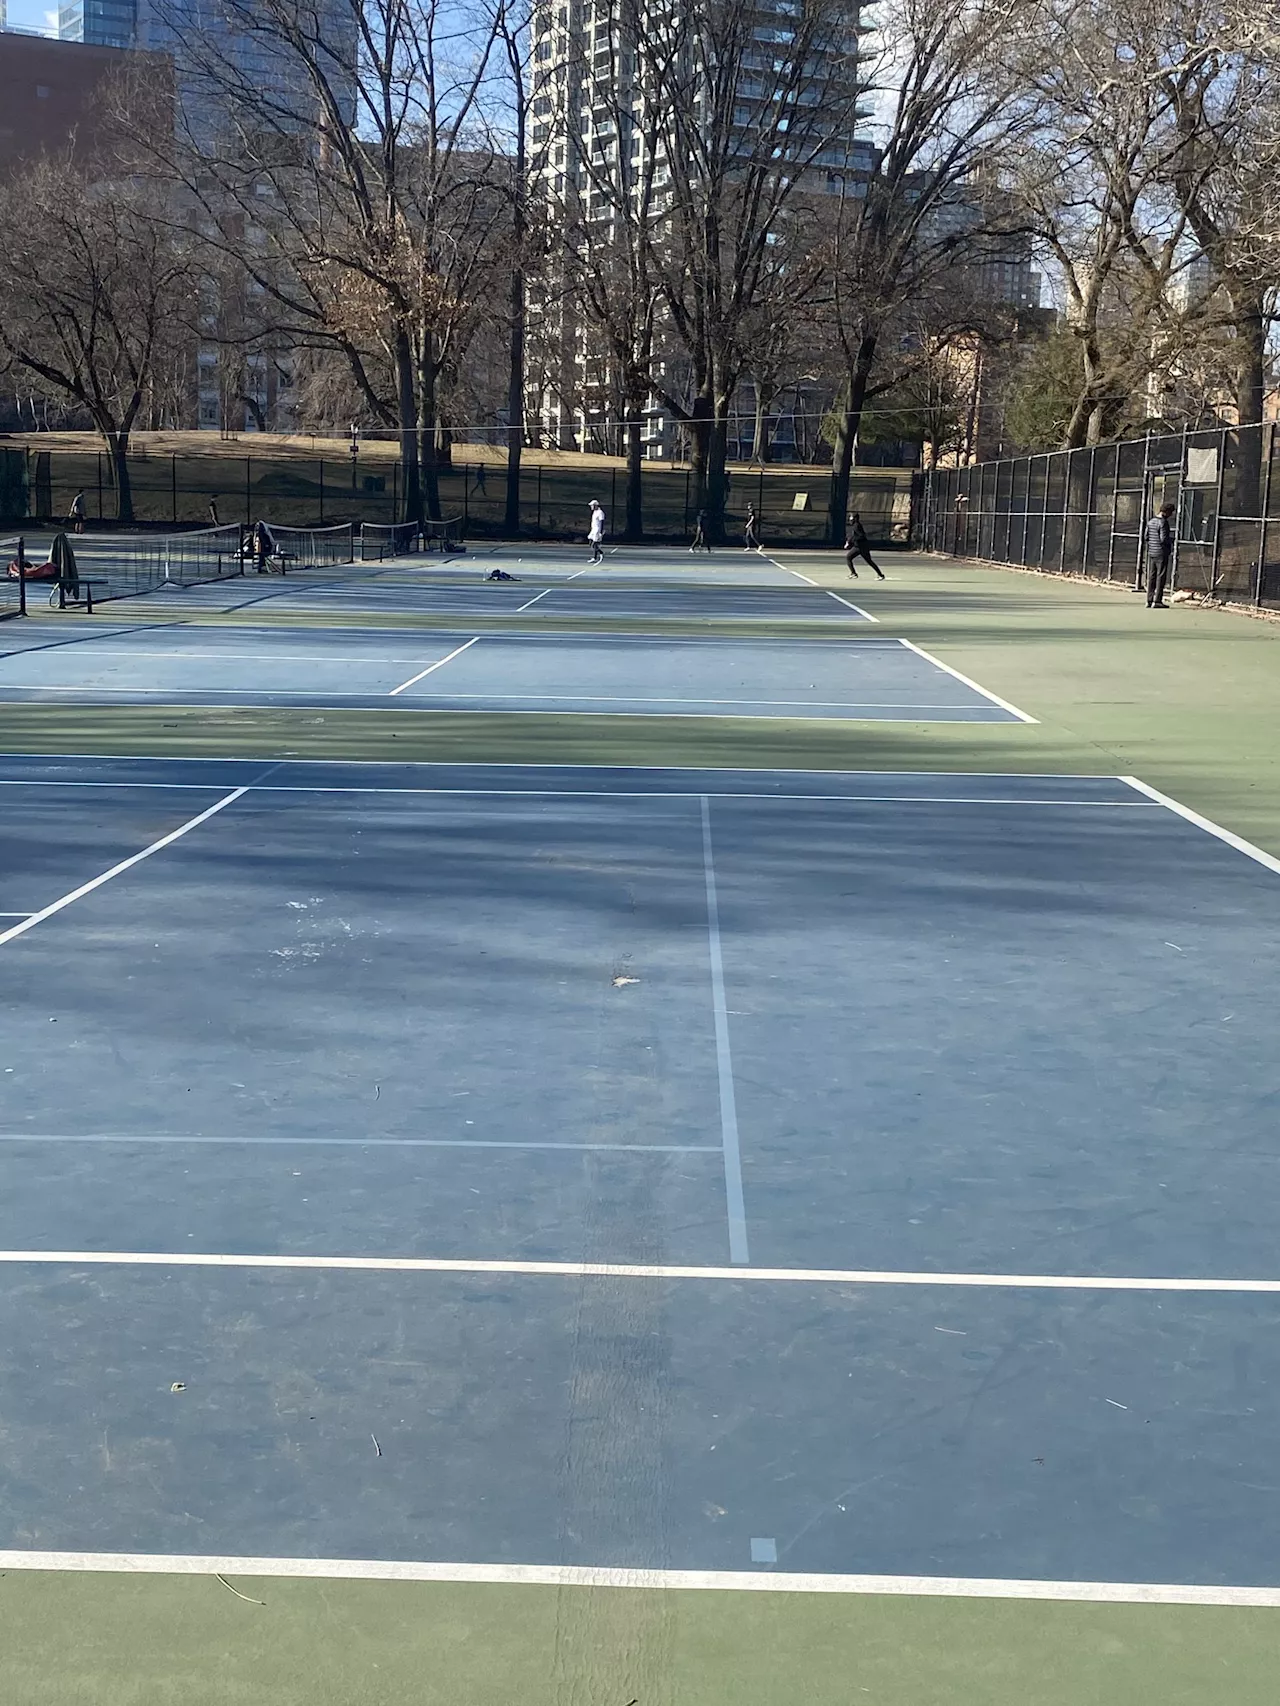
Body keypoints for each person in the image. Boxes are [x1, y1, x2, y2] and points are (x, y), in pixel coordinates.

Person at [1144, 503, 1174, 607]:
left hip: (1152, 552)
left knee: (1152, 576)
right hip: (1161, 553)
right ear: (1167, 512)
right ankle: (1157, 601)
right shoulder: (1163, 523)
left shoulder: (1151, 521)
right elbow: (1163, 539)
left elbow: (1146, 537)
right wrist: (1171, 540)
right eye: (1170, 512)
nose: (1171, 515)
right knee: (1161, 577)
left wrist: (1152, 544)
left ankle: (1149, 600)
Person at [845, 510, 886, 580]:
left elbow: (861, 536)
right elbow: (854, 536)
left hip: (861, 547)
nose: (850, 519)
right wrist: (849, 541)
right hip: (860, 546)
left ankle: (854, 574)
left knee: (849, 557)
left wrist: (850, 541)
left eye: (851, 517)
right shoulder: (856, 525)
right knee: (868, 561)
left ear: (854, 518)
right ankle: (880, 575)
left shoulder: (857, 526)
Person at [587, 499, 606, 563]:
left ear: (595, 505)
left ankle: (595, 557)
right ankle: (601, 552)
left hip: (597, 530)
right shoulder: (594, 512)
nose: (591, 507)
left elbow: (602, 522)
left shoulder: (600, 512)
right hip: (593, 529)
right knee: (590, 543)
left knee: (594, 544)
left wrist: (601, 532)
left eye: (592, 505)